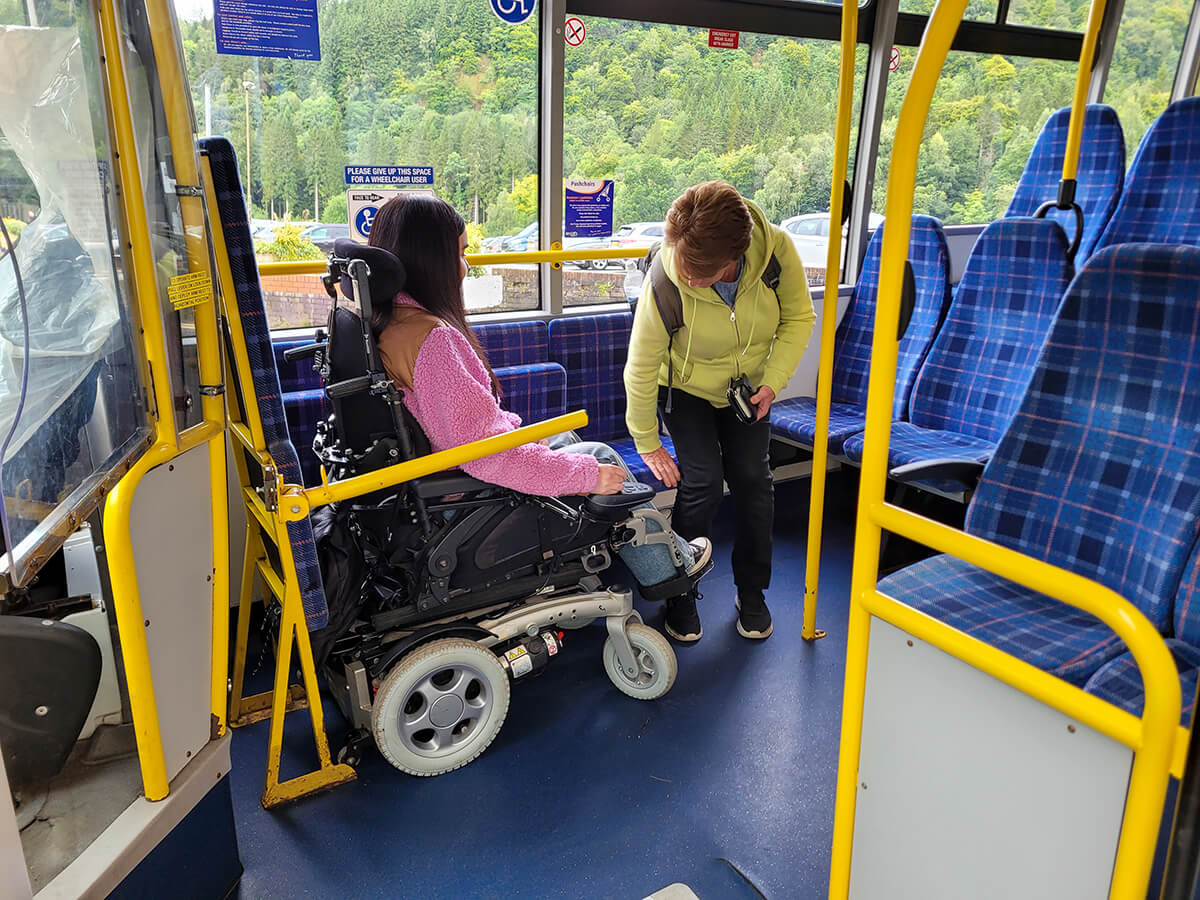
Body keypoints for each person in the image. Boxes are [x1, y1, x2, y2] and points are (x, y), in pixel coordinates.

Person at [366, 194, 710, 591]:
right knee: (600, 457)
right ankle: (668, 572)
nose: (464, 266)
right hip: (463, 500)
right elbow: (483, 454)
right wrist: (588, 475)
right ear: (429, 260)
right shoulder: (433, 341)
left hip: (430, 486)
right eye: (459, 253)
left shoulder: (385, 321)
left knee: (563, 437)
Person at [624, 181, 816, 641]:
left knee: (755, 482)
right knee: (704, 483)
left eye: (701, 273)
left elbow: (798, 319)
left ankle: (752, 591)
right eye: (685, 269)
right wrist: (646, 440)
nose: (688, 279)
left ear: (737, 254)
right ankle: (680, 592)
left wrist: (772, 382)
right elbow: (643, 363)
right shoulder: (667, 276)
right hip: (685, 388)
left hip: (747, 388)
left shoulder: (776, 254)